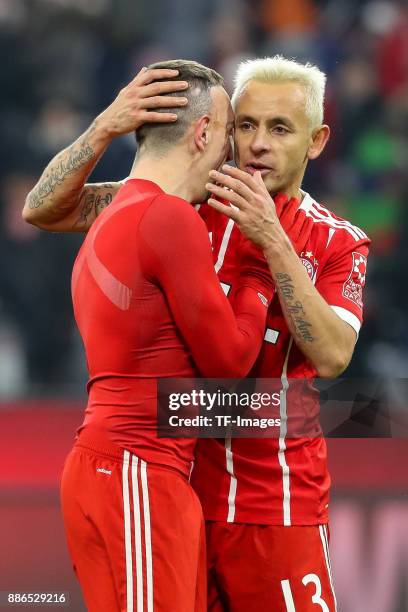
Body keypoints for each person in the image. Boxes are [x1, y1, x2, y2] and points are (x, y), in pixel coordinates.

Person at [23, 56, 370, 611]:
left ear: (317, 140)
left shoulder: (336, 241)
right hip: (179, 495)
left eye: (279, 129)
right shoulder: (183, 205)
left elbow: (331, 357)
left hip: (274, 509)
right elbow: (43, 210)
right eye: (246, 125)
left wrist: (273, 244)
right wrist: (105, 125)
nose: (257, 144)